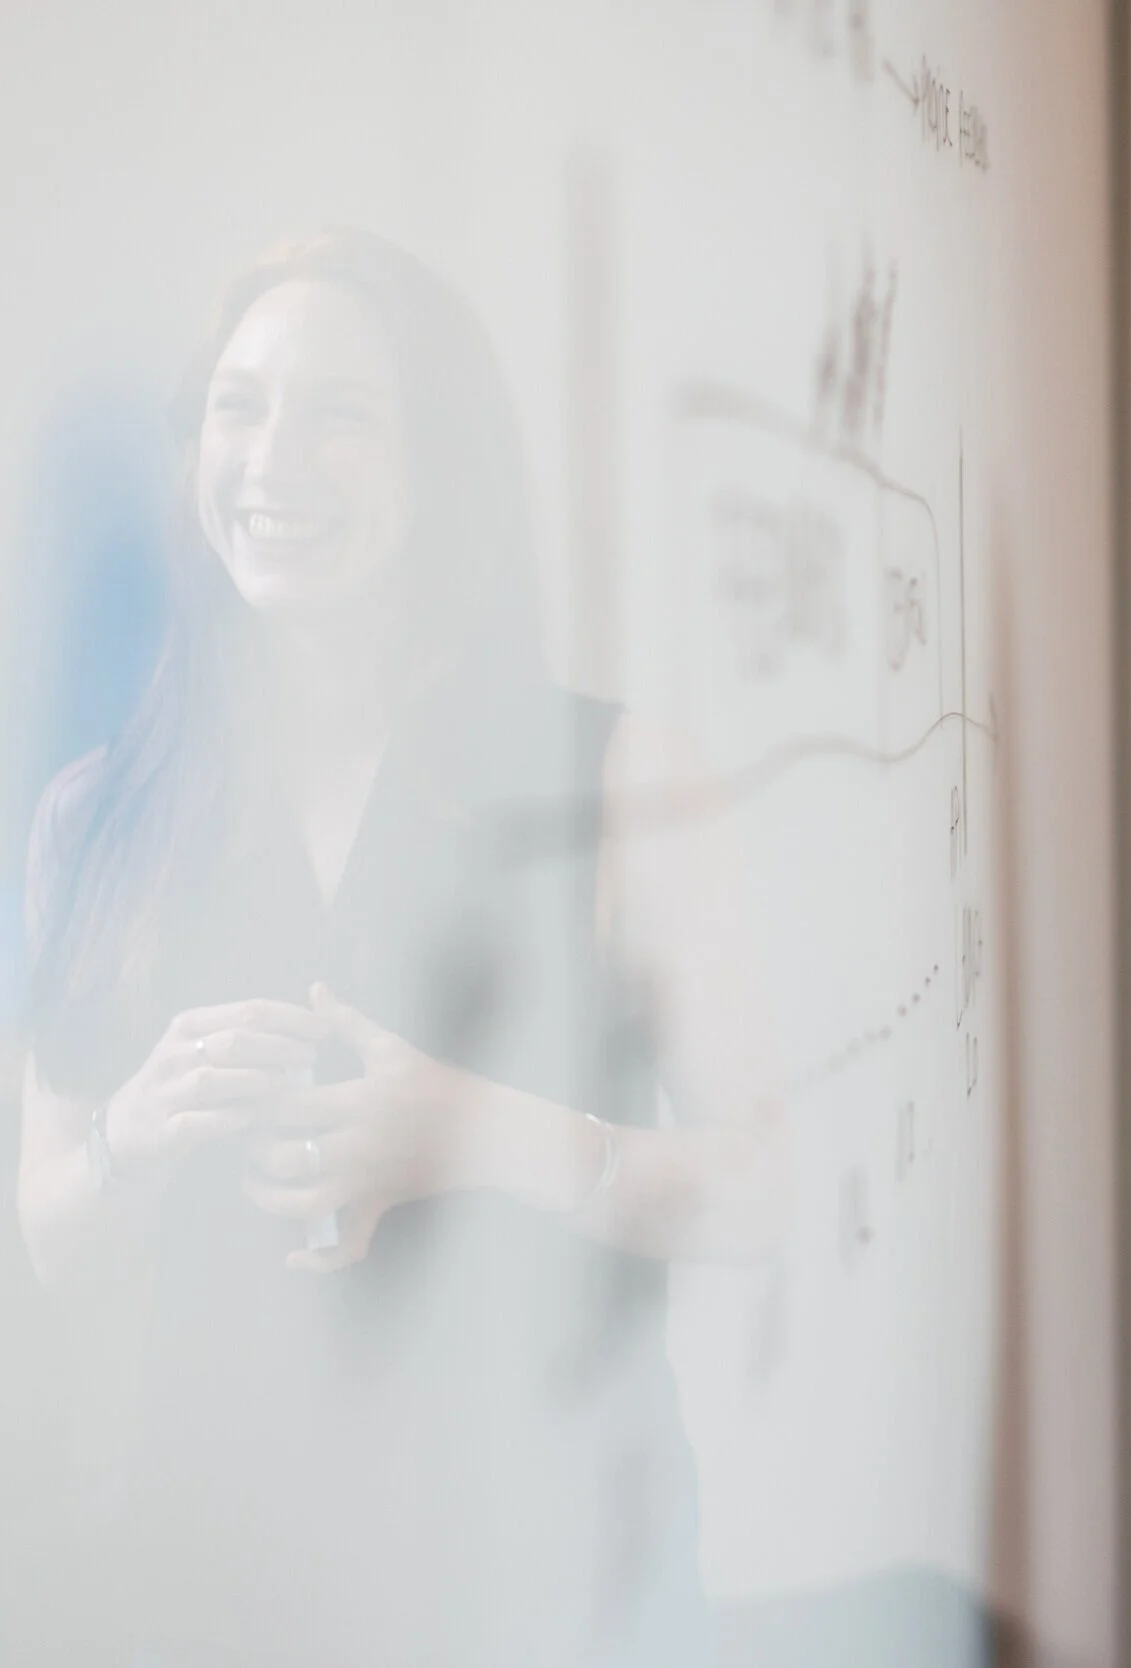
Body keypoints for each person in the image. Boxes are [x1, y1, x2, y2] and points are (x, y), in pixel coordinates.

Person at [15, 230, 780, 1665]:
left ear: (447, 469)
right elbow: (53, 1234)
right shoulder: (97, 813)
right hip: (212, 1570)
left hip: (559, 1567)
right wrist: (136, 1129)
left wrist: (474, 1131)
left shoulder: (624, 781)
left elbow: (762, 1189)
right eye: (239, 408)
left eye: (340, 415)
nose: (272, 460)